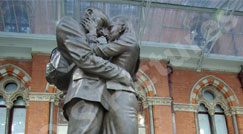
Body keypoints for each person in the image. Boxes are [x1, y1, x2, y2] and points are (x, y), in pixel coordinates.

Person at [55, 8, 133, 134]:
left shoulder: (90, 35)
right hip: (84, 92)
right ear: (89, 14)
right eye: (100, 24)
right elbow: (85, 58)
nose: (100, 31)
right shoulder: (68, 24)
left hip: (98, 95)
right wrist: (120, 73)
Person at [92, 16, 140, 134]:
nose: (107, 33)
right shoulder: (123, 47)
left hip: (121, 96)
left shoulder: (128, 41)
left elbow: (97, 51)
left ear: (122, 28)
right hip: (114, 96)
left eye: (110, 28)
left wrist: (92, 34)